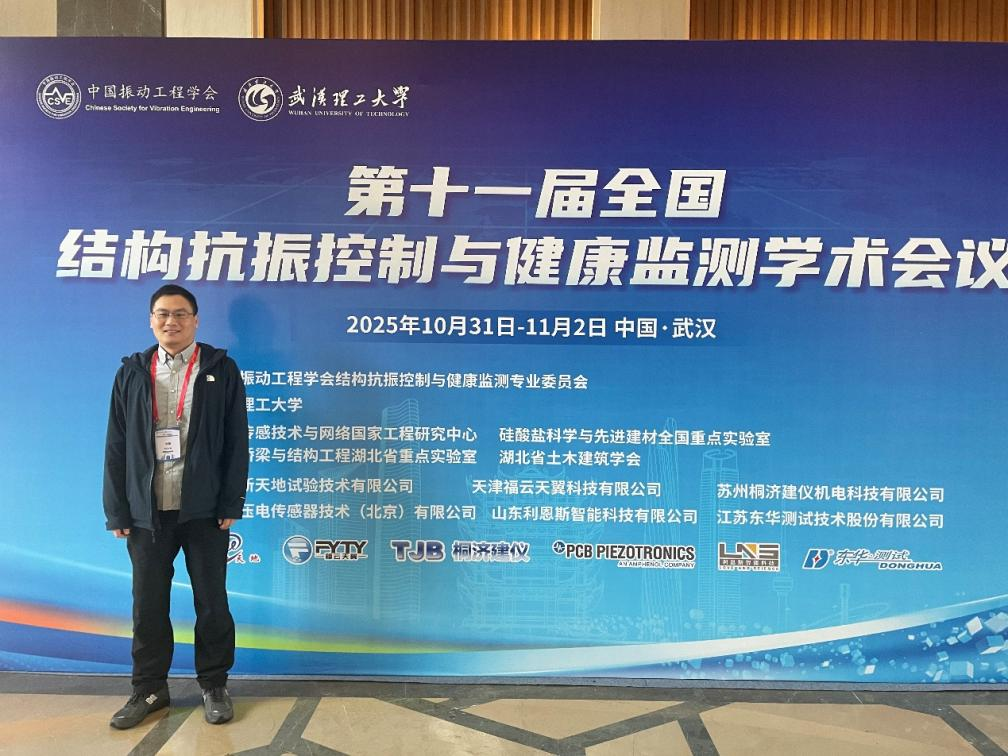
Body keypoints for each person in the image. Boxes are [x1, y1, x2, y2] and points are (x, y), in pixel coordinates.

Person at [103, 284, 248, 729]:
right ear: (151, 320)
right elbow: (116, 445)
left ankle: (214, 684)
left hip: (203, 510)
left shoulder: (221, 370)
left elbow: (237, 441)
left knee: (212, 602)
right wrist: (117, 509)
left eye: (181, 314)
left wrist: (231, 501)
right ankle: (149, 688)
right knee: (147, 605)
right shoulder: (132, 373)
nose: (172, 321)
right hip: (147, 514)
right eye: (163, 314)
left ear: (196, 320)